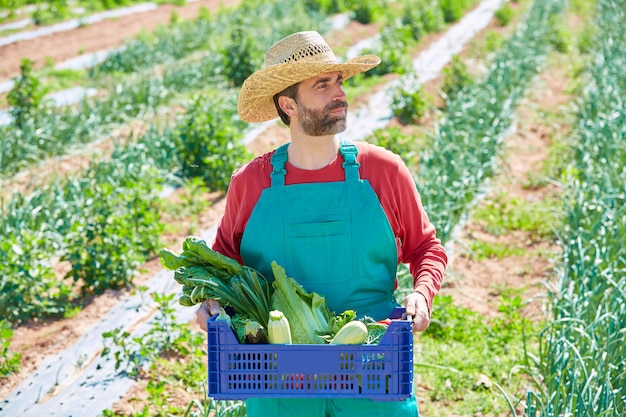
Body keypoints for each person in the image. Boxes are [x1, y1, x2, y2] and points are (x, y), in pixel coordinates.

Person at [196, 31, 447, 417]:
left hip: (372, 359)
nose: (339, 94)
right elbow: (223, 263)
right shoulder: (251, 182)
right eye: (322, 84)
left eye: (339, 81)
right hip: (278, 373)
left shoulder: (382, 170)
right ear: (288, 105)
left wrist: (422, 293)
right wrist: (210, 301)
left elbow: (426, 247)